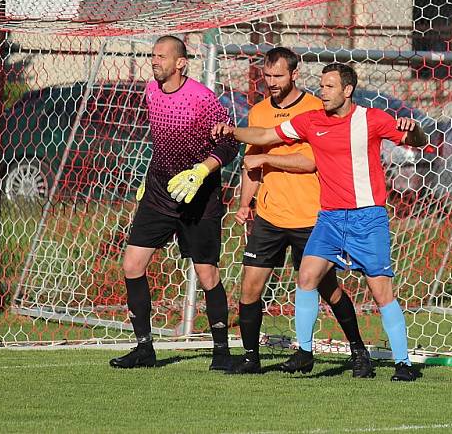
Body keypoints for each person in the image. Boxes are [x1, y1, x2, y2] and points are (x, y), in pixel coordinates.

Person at [214, 62, 427, 382]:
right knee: (307, 277)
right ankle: (305, 353)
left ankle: (403, 364)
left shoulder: (371, 119)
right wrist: (232, 131)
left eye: (328, 87)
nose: (322, 92)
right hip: (329, 217)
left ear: (347, 90)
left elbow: (418, 142)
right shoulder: (312, 121)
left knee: (381, 292)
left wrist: (415, 130)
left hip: (367, 217)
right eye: (321, 86)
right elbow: (264, 135)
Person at [226, 48, 372, 377]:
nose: (272, 82)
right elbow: (252, 160)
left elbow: (311, 161)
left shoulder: (314, 109)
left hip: (311, 218)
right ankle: (251, 358)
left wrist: (267, 160)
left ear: (294, 74)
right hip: (269, 217)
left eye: (278, 76)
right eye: (267, 76)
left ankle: (359, 352)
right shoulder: (259, 112)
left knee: (327, 288)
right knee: (250, 288)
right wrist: (244, 203)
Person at [109, 35, 238, 371]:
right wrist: (148, 179)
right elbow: (163, 143)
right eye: (153, 55)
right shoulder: (151, 92)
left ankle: (222, 353)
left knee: (207, 274)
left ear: (181, 63)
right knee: (132, 265)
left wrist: (200, 172)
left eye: (162, 56)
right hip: (159, 193)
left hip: (199, 198)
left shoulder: (202, 99)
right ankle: (144, 349)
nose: (155, 61)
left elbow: (228, 145)